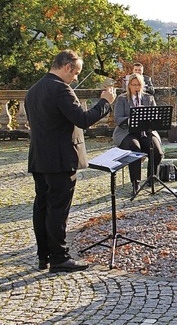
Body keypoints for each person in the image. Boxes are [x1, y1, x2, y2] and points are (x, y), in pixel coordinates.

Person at [25, 50, 115, 272]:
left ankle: (43, 255)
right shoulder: (60, 89)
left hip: (39, 157)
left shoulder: (33, 90)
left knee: (42, 207)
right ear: (66, 67)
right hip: (60, 159)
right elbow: (82, 120)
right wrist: (105, 102)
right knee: (58, 210)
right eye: (75, 73)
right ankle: (59, 258)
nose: (75, 78)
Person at [112, 73, 164, 194]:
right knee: (135, 149)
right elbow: (117, 119)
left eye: (138, 85)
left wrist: (147, 116)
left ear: (142, 85)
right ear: (129, 86)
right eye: (133, 85)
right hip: (127, 132)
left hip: (145, 131)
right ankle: (136, 183)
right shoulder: (122, 99)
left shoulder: (148, 98)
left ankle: (152, 178)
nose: (136, 87)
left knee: (157, 152)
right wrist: (131, 119)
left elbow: (155, 116)